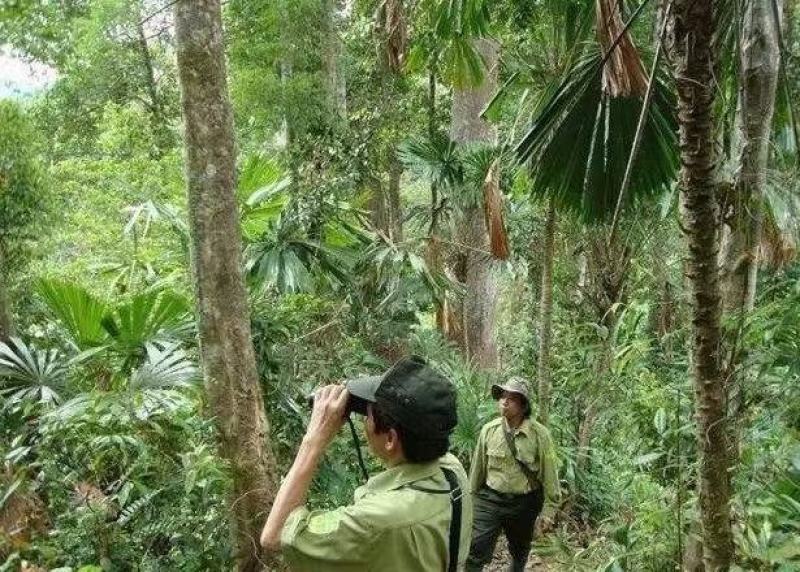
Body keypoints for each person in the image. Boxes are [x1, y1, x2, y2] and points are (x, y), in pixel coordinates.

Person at [261, 355, 474, 571]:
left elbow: (275, 535)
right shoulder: (452, 469)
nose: (365, 422)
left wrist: (314, 439)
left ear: (391, 439)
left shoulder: (377, 521)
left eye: (368, 415)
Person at [466, 377, 559, 572]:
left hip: (524, 503)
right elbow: (477, 471)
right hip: (490, 500)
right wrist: (469, 501)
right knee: (475, 550)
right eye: (502, 396)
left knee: (520, 552)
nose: (504, 401)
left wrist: (549, 511)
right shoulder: (489, 431)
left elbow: (550, 475)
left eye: (511, 398)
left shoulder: (540, 435)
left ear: (523, 405)